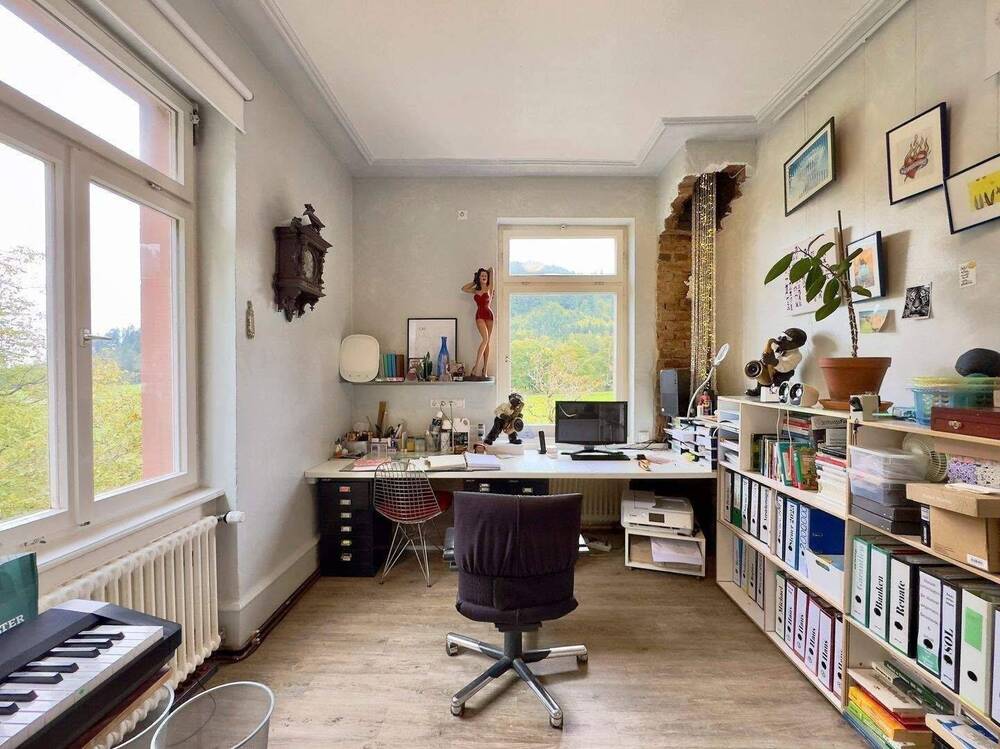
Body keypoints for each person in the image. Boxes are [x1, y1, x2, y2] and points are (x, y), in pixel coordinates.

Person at [461, 266, 494, 380]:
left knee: (487, 342)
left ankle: (485, 369)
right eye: (482, 275)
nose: (484, 277)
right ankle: (476, 367)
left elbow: (492, 270)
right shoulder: (475, 290)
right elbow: (463, 288)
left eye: (485, 276)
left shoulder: (490, 288)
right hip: (479, 315)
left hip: (489, 315)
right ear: (479, 278)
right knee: (485, 339)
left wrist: (488, 271)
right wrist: (474, 281)